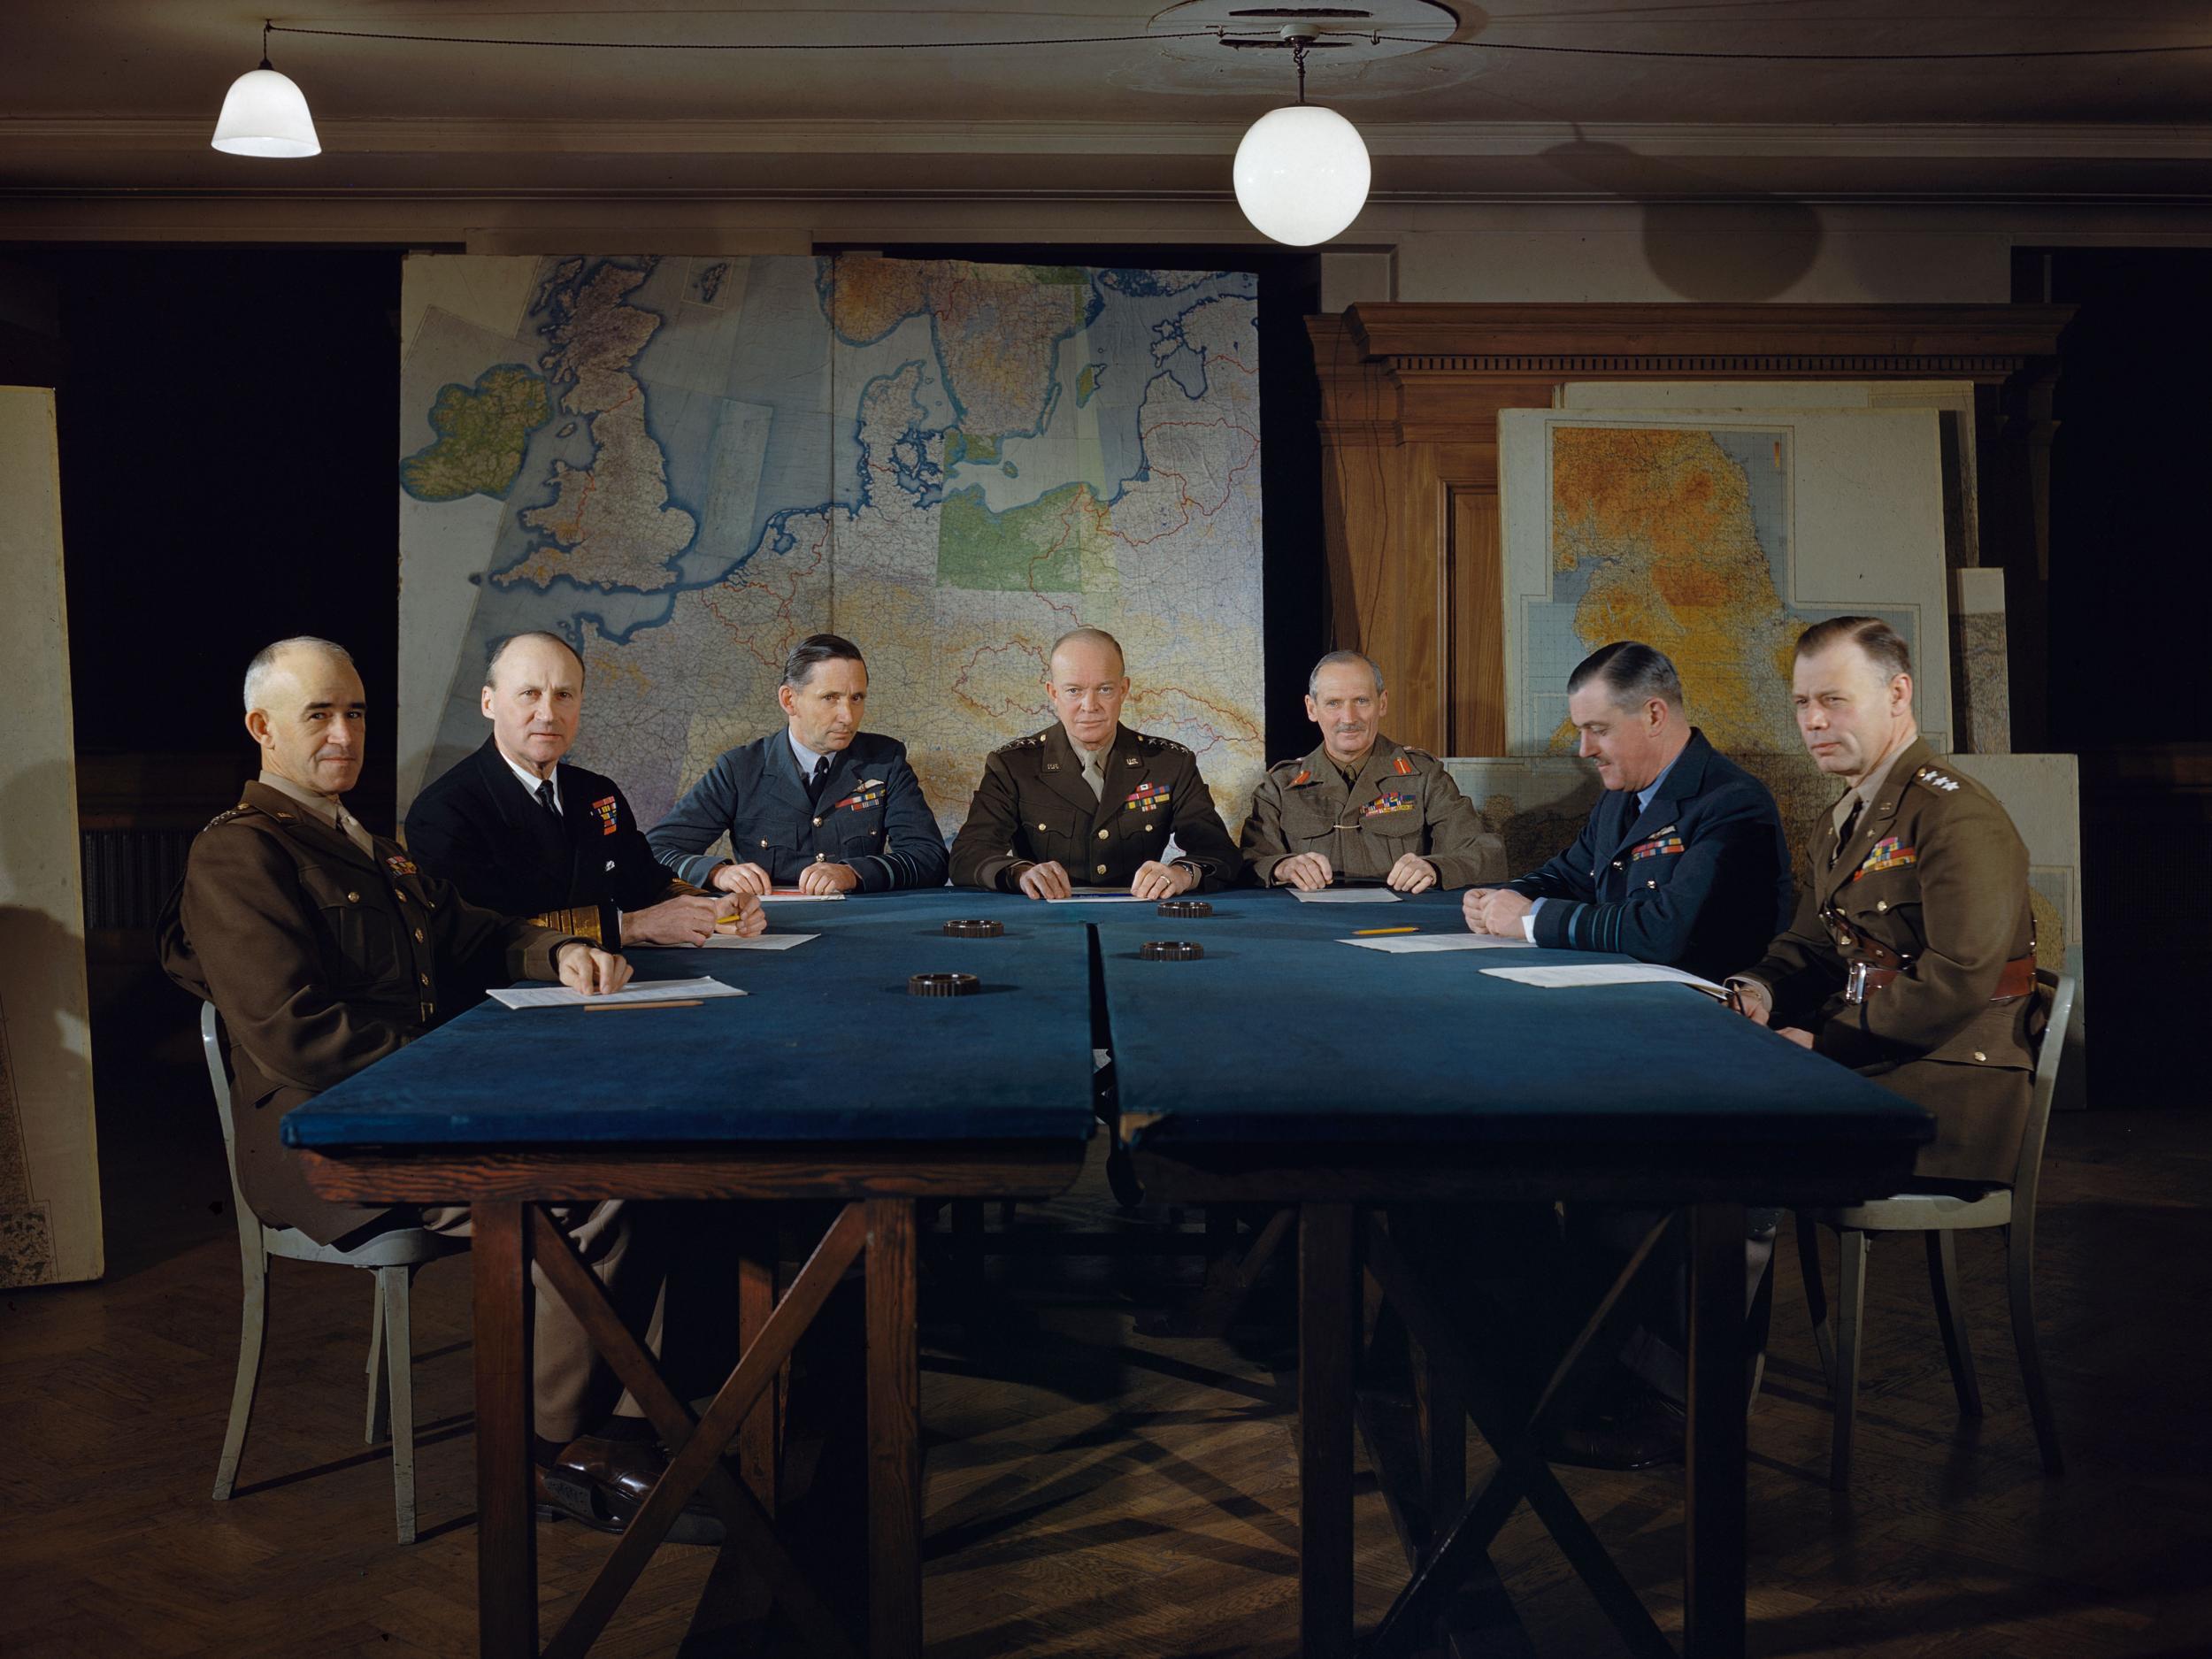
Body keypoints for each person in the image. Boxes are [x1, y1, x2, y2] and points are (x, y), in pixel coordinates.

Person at [159, 636, 717, 1543]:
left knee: (630, 1167)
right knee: (592, 1192)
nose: (344, 734)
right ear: (263, 728)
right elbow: (301, 1037)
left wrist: (559, 949)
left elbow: (475, 928)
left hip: (410, 1114)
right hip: (329, 1140)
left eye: (356, 713)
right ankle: (553, 1458)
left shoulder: (361, 844)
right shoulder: (239, 857)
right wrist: (464, 1066)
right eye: (319, 715)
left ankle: (622, 1433)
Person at [1727, 616, 2039, 1184]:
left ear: (1898, 694)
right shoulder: (1842, 821)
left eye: (1834, 700)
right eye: (1802, 703)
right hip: (1878, 1056)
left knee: (1726, 1134)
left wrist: (1826, 1043)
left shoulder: (1955, 814)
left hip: (1948, 1082)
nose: (1814, 720)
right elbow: (1812, 947)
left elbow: (1958, 976)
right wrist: (1758, 992)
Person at [404, 630, 764, 950]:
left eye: (564, 695)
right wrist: (630, 927)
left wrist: (713, 906)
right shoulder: (444, 811)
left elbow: (647, 882)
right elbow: (475, 935)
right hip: (502, 1005)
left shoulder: (596, 792)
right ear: (489, 702)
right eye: (529, 694)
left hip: (616, 987)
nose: (548, 714)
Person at [1463, 641, 1792, 983]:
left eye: (1599, 730)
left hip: (1702, 1010)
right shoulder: (1621, 795)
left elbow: (1664, 931)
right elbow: (1570, 875)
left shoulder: (1733, 803)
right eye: (1581, 731)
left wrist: (1533, 918)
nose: (1584, 750)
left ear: (1654, 716)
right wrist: (1506, 898)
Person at [948, 626, 1240, 899]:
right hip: (1046, 922)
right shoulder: (1013, 766)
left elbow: (1220, 854)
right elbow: (968, 855)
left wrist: (1181, 874)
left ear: (1124, 690)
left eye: (1104, 689)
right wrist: (1020, 874)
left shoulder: (1170, 764)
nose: (1089, 706)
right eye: (1074, 690)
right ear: (1053, 693)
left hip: (1141, 918)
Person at [649, 633, 949, 896]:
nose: (848, 715)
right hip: (766, 931)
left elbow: (930, 858)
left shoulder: (885, 760)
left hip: (858, 928)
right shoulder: (740, 769)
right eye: (830, 698)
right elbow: (655, 851)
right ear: (789, 700)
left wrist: (853, 873)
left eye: (857, 698)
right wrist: (717, 873)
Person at [1239, 651, 1504, 891]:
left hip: (1402, 926)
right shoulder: (1280, 787)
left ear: (1383, 703)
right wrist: (1282, 867)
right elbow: (1249, 862)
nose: (1349, 718)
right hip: (1313, 927)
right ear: (1312, 709)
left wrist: (1434, 868)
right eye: (1333, 703)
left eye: (1361, 701)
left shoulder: (1424, 777)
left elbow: (1485, 854)